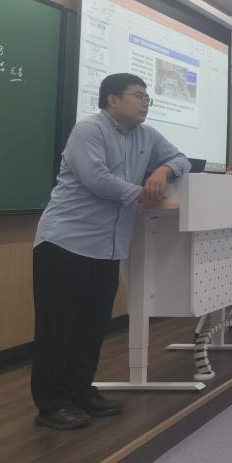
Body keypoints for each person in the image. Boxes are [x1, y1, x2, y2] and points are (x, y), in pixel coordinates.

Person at [31, 74, 190, 430]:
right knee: (57, 327)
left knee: (91, 326)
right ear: (112, 100)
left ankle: (80, 391)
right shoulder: (89, 130)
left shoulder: (147, 135)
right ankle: (52, 404)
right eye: (138, 96)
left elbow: (181, 158)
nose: (145, 102)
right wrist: (142, 193)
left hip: (108, 247)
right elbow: (97, 179)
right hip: (65, 243)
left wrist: (162, 170)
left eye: (148, 97)